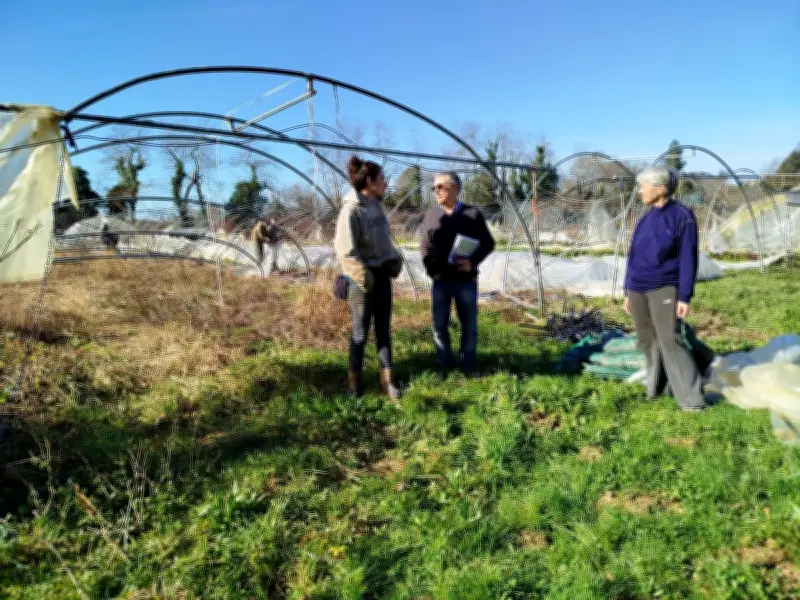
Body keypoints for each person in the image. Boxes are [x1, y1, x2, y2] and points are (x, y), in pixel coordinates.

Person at [623, 166, 707, 411]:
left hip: (664, 288)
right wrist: (627, 289)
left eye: (643, 186)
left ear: (660, 189)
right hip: (638, 288)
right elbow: (633, 256)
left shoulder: (682, 216)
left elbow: (688, 258)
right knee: (647, 341)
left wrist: (684, 295)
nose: (639, 191)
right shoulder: (645, 219)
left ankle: (693, 401)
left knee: (671, 341)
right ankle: (658, 390)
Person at [334, 156, 403, 400]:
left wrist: (394, 259)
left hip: (382, 277)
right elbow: (345, 251)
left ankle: (388, 382)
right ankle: (354, 384)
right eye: (382, 178)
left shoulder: (376, 206)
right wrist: (365, 277)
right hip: (362, 282)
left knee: (383, 330)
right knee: (360, 333)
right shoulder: (351, 211)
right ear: (370, 182)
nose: (386, 182)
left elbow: (384, 241)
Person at [421, 171, 495, 375]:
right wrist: (432, 271)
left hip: (465, 280)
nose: (436, 191)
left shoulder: (473, 214)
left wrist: (472, 263)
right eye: (434, 187)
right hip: (441, 281)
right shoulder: (432, 215)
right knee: (439, 326)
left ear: (455, 188)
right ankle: (444, 364)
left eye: (440, 187)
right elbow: (425, 248)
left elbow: (489, 243)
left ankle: (468, 364)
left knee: (469, 326)